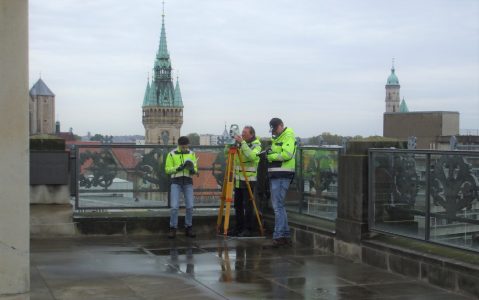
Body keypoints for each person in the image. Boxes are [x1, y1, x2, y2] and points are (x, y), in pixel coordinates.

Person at [266, 118, 296, 247]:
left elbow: (287, 154)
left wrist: (270, 156)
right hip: (278, 174)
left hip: (282, 174)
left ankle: (278, 237)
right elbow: (279, 152)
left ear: (281, 126)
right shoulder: (279, 138)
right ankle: (285, 236)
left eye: (275, 128)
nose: (274, 132)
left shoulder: (288, 136)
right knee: (279, 206)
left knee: (277, 206)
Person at [228, 126, 262, 237]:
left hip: (249, 180)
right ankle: (239, 228)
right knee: (237, 205)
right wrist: (230, 143)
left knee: (248, 206)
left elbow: (252, 156)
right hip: (238, 179)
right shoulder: (241, 143)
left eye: (245, 132)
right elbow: (226, 153)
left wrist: (242, 143)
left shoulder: (256, 144)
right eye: (242, 132)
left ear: (251, 134)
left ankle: (248, 229)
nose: (242, 134)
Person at [165, 136, 198, 239]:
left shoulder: (191, 153)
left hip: (188, 181)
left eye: (186, 146)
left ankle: (188, 227)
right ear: (179, 145)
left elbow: (195, 167)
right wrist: (178, 168)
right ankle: (173, 228)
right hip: (176, 182)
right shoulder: (171, 154)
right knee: (174, 207)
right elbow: (167, 169)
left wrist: (193, 170)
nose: (185, 148)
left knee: (190, 206)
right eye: (183, 146)